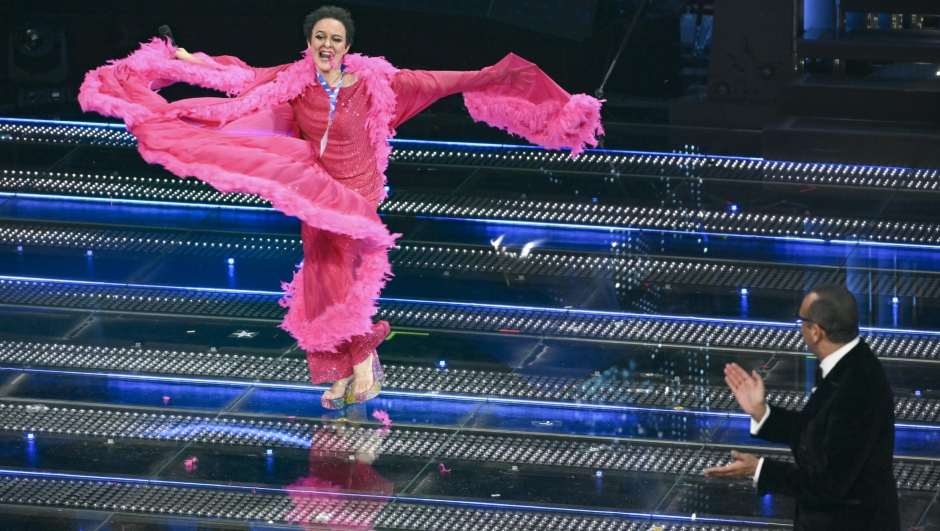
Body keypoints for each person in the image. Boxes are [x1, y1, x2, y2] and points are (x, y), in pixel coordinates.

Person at [78, 6, 603, 409]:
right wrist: (184, 62)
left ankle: (364, 366)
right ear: (309, 43)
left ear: (348, 45)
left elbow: (457, 80)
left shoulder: (382, 84)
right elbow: (240, 79)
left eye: (335, 38)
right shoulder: (294, 78)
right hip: (315, 190)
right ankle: (356, 370)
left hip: (357, 194)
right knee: (324, 279)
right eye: (319, 37)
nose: (327, 44)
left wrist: (516, 84)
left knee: (341, 275)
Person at [704, 284, 900, 530]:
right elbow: (820, 433)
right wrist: (761, 412)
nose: (799, 327)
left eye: (801, 320)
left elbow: (829, 483)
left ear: (816, 332)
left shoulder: (857, 389)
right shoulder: (845, 363)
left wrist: (759, 469)